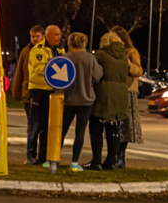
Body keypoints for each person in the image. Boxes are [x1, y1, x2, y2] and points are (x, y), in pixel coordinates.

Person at [85, 31, 130, 170]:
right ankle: (111, 161)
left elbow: (93, 72)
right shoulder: (125, 56)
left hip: (103, 94)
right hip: (121, 96)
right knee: (114, 128)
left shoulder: (100, 55)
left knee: (96, 127)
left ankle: (96, 161)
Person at [61, 32, 102, 171]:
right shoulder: (90, 58)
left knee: (61, 130)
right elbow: (97, 76)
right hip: (86, 100)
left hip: (67, 99)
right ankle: (74, 162)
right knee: (80, 132)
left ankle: (53, 159)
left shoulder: (65, 58)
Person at [26, 24, 64, 166]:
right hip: (39, 90)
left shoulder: (60, 51)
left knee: (47, 127)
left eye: (59, 35)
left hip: (52, 92)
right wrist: (55, 68)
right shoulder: (38, 50)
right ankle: (31, 155)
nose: (59, 37)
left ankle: (43, 156)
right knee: (34, 125)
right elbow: (39, 69)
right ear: (48, 35)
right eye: (56, 35)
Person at [110, 26, 143, 168]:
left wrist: (129, 65)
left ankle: (121, 156)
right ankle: (113, 155)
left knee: (125, 126)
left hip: (128, 92)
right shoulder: (110, 52)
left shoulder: (132, 52)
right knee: (114, 126)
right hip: (115, 91)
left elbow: (139, 70)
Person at [11, 25, 44, 122]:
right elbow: (19, 73)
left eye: (37, 36)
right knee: (31, 122)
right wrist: (17, 93)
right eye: (32, 36)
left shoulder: (47, 51)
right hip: (28, 94)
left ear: (43, 36)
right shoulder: (25, 51)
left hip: (42, 93)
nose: (34, 39)